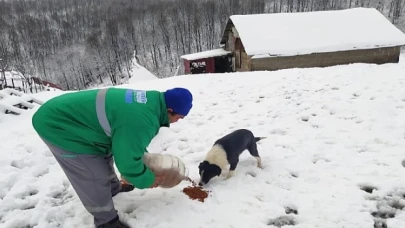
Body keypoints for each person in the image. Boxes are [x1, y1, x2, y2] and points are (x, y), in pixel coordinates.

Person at [31, 87, 193, 228]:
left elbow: (129, 143)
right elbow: (128, 161)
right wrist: (147, 180)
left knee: (105, 155)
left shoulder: (151, 102)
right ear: (169, 111)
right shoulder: (143, 120)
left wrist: (141, 167)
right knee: (93, 174)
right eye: (179, 117)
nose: (177, 122)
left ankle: (113, 188)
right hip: (58, 124)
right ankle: (105, 221)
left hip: (80, 121)